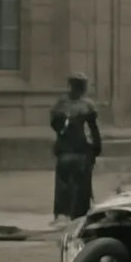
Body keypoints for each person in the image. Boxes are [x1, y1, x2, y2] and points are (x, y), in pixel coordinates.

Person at [49, 72, 102, 225]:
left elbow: (92, 129)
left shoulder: (66, 104)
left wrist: (95, 147)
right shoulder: (74, 105)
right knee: (70, 184)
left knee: (77, 184)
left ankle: (71, 214)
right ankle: (68, 214)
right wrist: (96, 147)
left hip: (76, 149)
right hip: (72, 149)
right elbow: (93, 130)